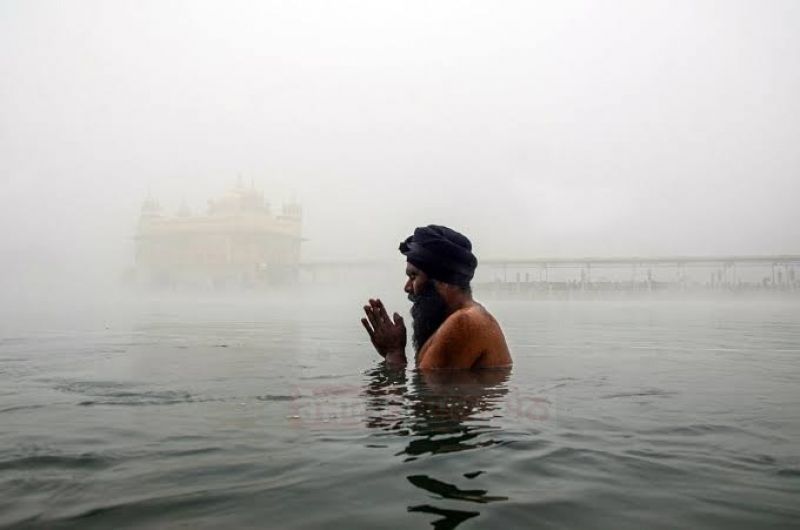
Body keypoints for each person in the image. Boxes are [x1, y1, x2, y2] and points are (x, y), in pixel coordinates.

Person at [361, 225, 512, 370]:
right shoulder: (462, 318)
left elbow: (426, 394)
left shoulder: (465, 322)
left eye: (414, 276)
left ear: (443, 281)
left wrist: (394, 352)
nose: (407, 287)